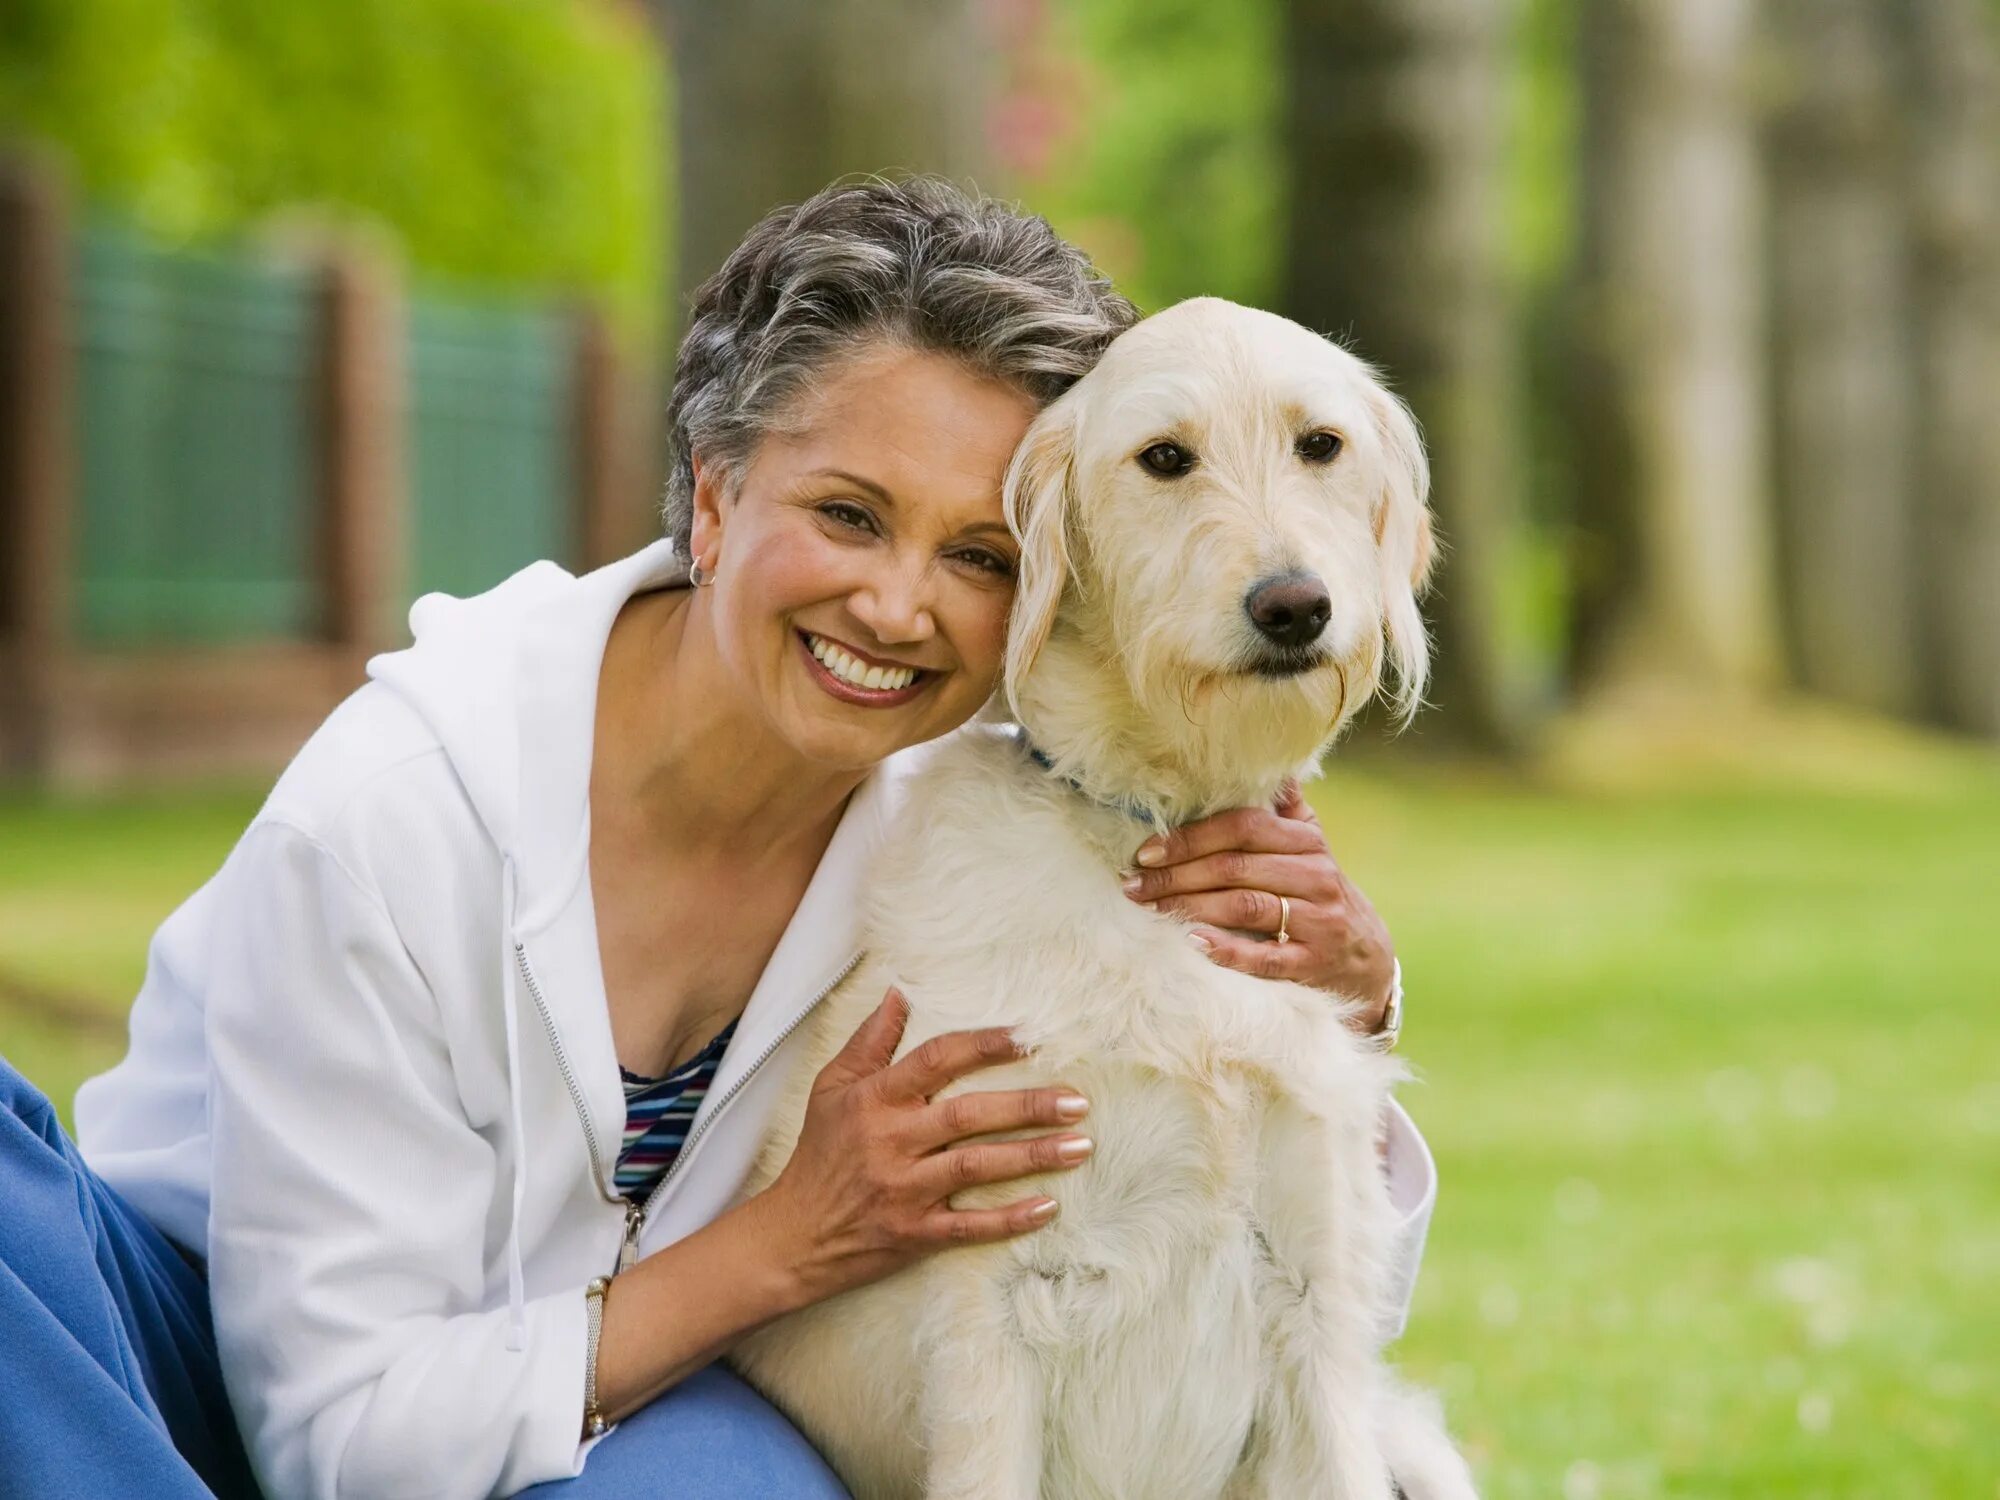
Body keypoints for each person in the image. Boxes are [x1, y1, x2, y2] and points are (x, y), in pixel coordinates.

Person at [4, 177, 1435, 1500]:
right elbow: (337, 1435)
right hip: (174, 1394)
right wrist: (786, 1242)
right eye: (847, 515)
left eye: (977, 558)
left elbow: (1228, 1292)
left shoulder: (1004, 805)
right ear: (710, 491)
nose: (897, 607)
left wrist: (1342, 1004)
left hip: (639, 1418)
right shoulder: (397, 817)